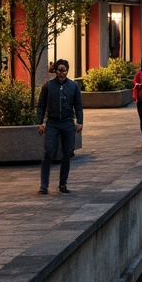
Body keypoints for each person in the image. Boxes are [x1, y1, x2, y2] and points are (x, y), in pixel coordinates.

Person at [36, 60, 83, 195]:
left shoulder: (73, 86)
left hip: (68, 123)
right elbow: (41, 106)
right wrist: (40, 122)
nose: (62, 73)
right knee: (48, 152)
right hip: (52, 123)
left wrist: (80, 122)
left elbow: (78, 106)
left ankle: (63, 183)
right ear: (55, 71)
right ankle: (44, 185)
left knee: (67, 153)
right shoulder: (48, 86)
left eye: (64, 70)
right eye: (59, 70)